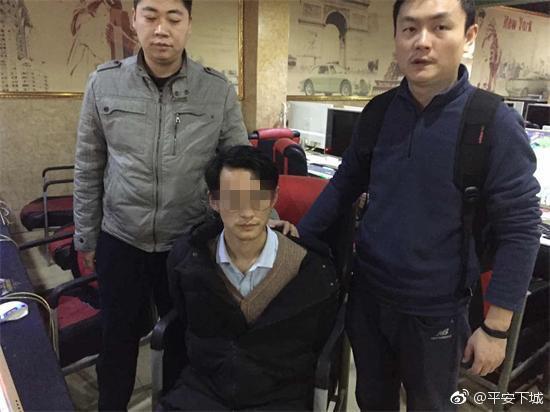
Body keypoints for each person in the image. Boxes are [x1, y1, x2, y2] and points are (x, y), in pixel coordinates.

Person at [297, 0, 541, 410]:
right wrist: (297, 237)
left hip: (438, 311)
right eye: (409, 29)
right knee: (372, 400)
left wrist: (496, 328)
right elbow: (344, 185)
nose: (422, 42)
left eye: (440, 27)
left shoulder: (491, 121)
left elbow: (521, 226)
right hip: (368, 299)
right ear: (396, 37)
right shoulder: (379, 113)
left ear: (469, 35)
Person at [73, 0, 250, 409]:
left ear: (189, 24)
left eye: (174, 18)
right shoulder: (103, 84)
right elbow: (88, 164)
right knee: (116, 339)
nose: (161, 29)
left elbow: (239, 166)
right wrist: (86, 236)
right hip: (121, 236)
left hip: (187, 240)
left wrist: (262, 225)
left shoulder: (217, 91)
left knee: (185, 342)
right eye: (150, 16)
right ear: (134, 20)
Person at [160, 145, 340, 411]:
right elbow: (187, 318)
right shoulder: (189, 260)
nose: (247, 213)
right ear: (213, 201)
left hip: (279, 394)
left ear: (274, 197)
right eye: (234, 200)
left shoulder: (311, 271)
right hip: (206, 388)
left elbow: (317, 339)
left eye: (258, 198)